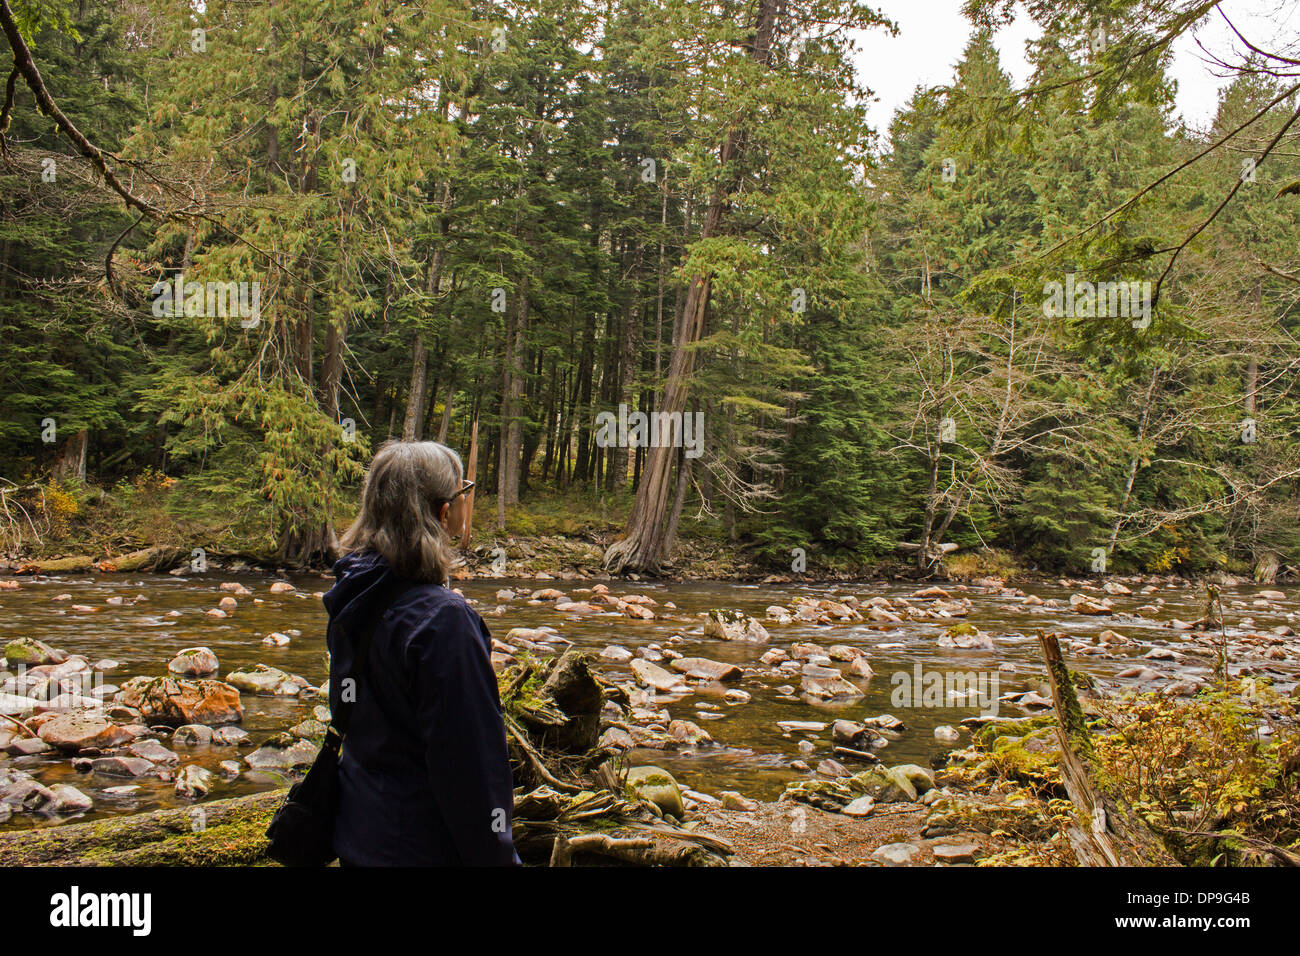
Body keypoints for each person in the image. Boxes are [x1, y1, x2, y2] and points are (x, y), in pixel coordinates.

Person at [323, 439, 519, 866]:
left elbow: (355, 717)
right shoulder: (444, 622)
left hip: (358, 837)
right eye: (461, 494)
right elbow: (472, 771)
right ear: (444, 513)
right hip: (421, 849)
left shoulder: (351, 593)